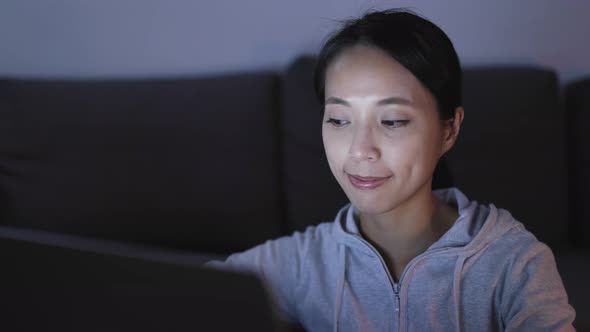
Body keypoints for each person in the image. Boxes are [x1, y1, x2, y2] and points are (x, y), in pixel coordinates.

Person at [207, 9, 575, 331]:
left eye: (393, 120)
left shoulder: (513, 263)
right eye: (338, 119)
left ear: (449, 129)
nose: (360, 150)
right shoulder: (304, 263)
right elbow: (176, 292)